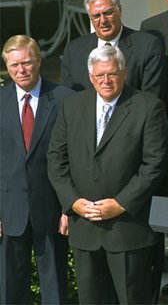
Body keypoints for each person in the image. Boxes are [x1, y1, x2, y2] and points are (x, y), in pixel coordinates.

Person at [47, 45, 168, 304]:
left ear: (124, 73)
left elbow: (154, 165)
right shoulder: (72, 106)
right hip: (85, 228)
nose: (106, 81)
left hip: (127, 230)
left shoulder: (148, 107)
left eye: (112, 74)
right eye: (100, 75)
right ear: (90, 77)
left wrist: (121, 204)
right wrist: (73, 202)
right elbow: (56, 159)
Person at [0, 35, 73, 304]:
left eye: (27, 63)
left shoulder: (65, 98)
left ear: (39, 61)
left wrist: (68, 208)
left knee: (55, 289)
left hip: (51, 209)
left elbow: (73, 158)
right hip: (9, 212)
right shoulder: (0, 100)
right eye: (14, 65)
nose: (21, 70)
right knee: (10, 290)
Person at [61, 0, 164, 99]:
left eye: (108, 13)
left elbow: (149, 98)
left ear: (119, 10)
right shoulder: (73, 51)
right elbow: (69, 100)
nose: (103, 20)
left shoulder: (147, 46)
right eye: (96, 16)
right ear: (90, 18)